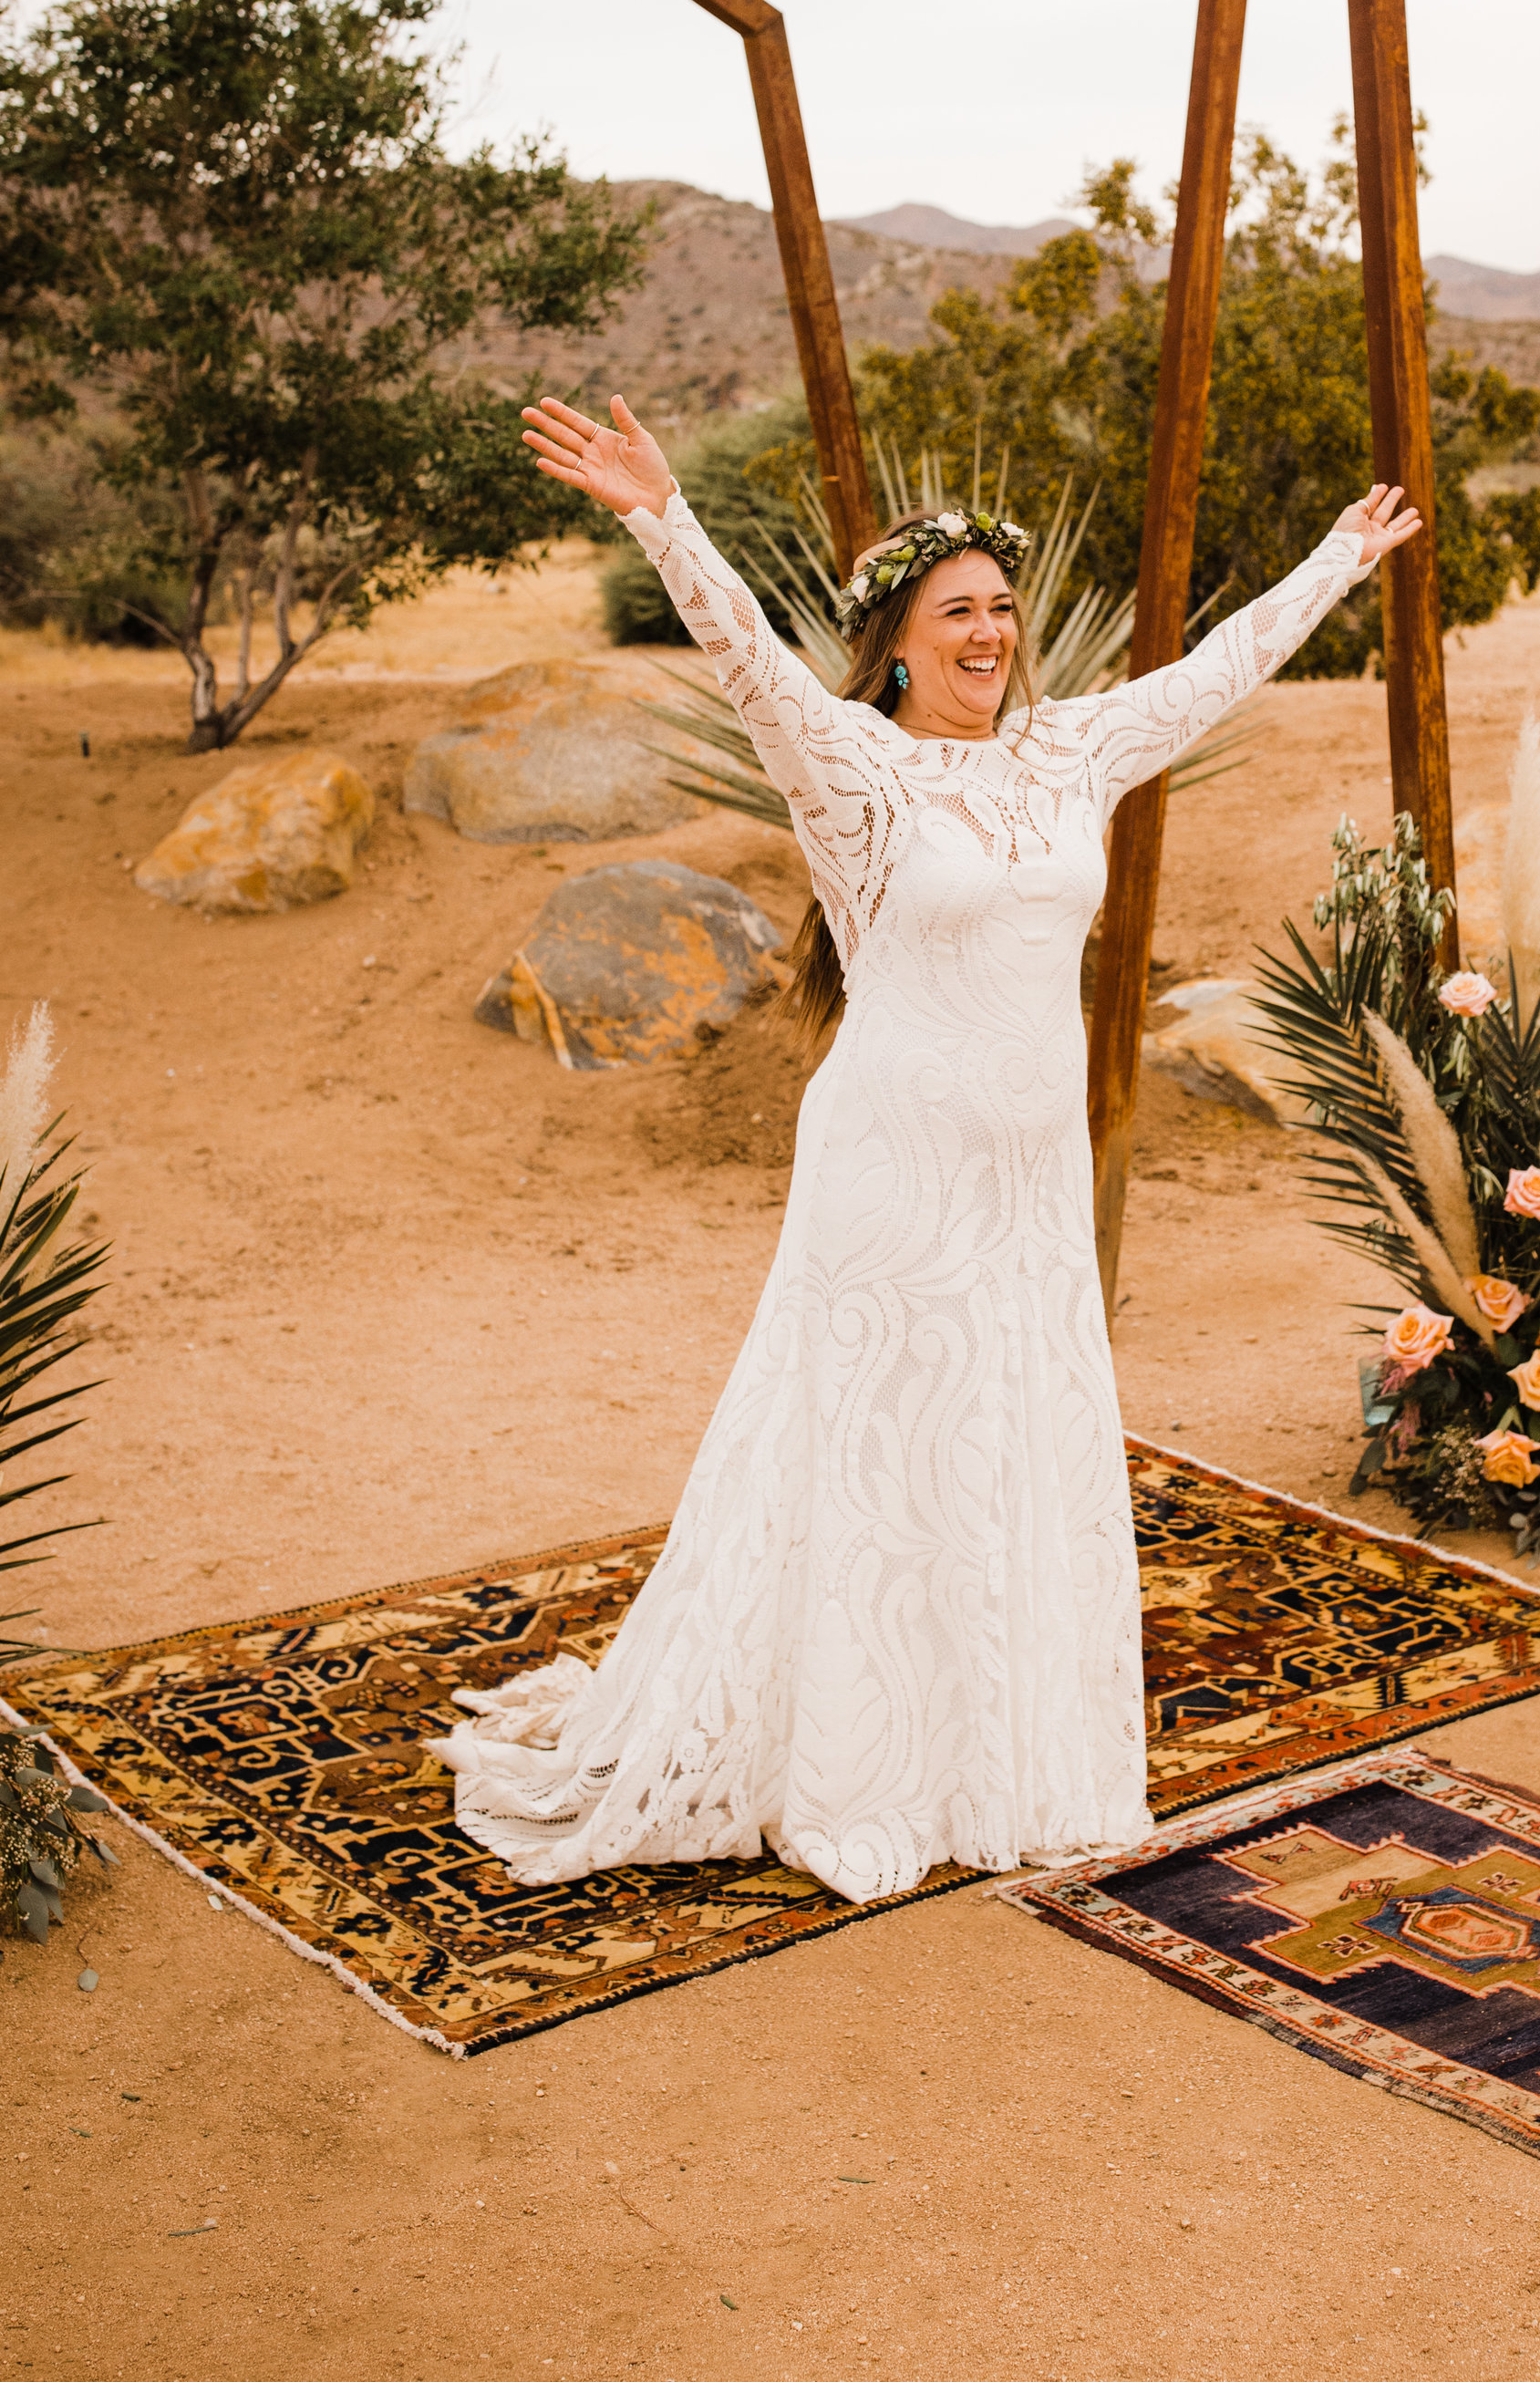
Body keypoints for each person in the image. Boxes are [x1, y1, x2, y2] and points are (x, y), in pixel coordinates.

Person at [439, 392, 1422, 1903]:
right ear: (899, 637)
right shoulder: (854, 773)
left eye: (1004, 608)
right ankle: (865, 1767)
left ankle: (1001, 1756)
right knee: (886, 1456)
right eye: (959, 610)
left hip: (1030, 1189)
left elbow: (1217, 676)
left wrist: (1334, 564)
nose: (991, 631)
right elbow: (750, 667)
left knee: (1006, 1445)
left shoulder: (1071, 749)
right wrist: (659, 514)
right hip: (893, 1179)